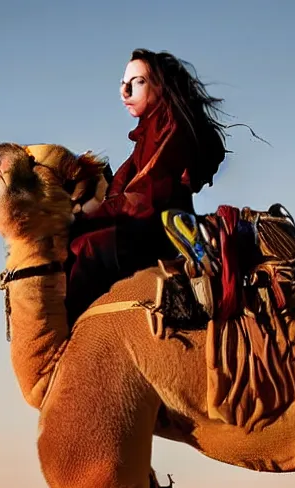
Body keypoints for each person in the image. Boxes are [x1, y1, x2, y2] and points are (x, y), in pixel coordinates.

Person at [65, 48, 227, 326]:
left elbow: (146, 196)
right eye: (123, 83)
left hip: (156, 229)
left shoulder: (172, 129)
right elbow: (122, 188)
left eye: (137, 82)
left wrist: (87, 218)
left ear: (159, 86)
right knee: (68, 243)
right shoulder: (149, 131)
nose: (125, 91)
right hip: (141, 224)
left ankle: (74, 334)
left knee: (88, 247)